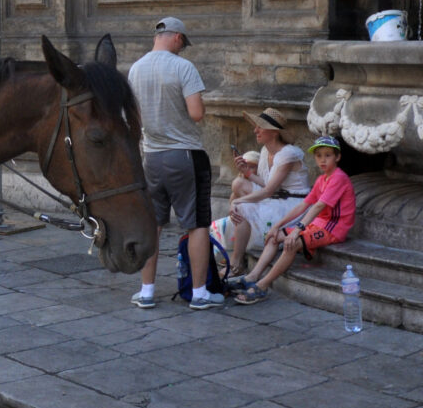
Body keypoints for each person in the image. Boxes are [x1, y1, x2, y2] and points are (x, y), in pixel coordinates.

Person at [127, 16, 224, 311]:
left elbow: (136, 117)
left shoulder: (135, 69)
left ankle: (146, 291)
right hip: (185, 154)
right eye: (183, 44)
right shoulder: (184, 67)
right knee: (196, 224)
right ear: (178, 38)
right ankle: (198, 294)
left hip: (152, 157)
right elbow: (196, 113)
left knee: (153, 224)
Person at [233, 136, 356, 305]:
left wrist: (297, 229)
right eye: (319, 156)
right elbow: (304, 205)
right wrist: (277, 226)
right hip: (318, 224)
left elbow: (318, 207)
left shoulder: (338, 178)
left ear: (338, 157)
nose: (323, 160)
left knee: (293, 242)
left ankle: (262, 286)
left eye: (328, 155)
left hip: (333, 229)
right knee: (274, 237)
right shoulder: (321, 180)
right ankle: (252, 276)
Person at [227, 107, 310, 276]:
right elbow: (266, 183)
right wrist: (247, 172)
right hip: (277, 197)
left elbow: (268, 190)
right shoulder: (266, 151)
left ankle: (236, 261)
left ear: (273, 132)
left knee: (240, 205)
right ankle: (237, 260)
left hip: (294, 204)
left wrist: (237, 202)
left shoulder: (288, 154)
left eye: (260, 127)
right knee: (239, 184)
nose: (255, 130)